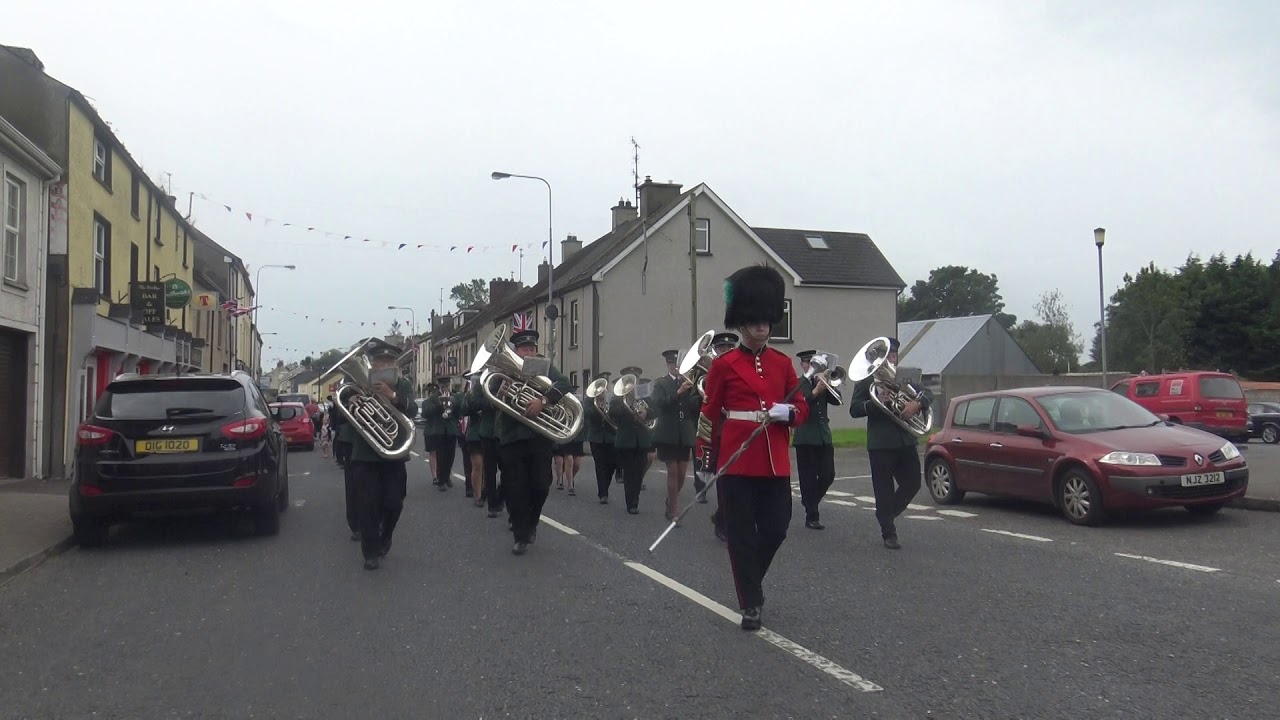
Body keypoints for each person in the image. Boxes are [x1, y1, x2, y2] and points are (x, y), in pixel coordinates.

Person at [697, 265, 808, 631]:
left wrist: (787, 411)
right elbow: (710, 413)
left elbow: (801, 409)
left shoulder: (783, 363)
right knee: (741, 535)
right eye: (755, 320)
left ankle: (751, 582)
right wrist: (706, 459)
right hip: (736, 459)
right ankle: (751, 602)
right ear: (741, 323)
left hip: (774, 459)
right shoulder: (724, 365)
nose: (762, 326)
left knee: (777, 527)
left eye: (766, 320)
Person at [849, 337, 933, 550]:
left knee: (913, 483)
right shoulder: (867, 381)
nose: (891, 360)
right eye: (888, 356)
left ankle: (886, 513)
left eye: (894, 356)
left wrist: (917, 403)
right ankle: (889, 531)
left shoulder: (904, 378)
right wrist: (877, 403)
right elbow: (855, 409)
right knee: (883, 489)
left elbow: (928, 393)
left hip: (905, 440)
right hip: (881, 443)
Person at [496, 328, 570, 555]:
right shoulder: (504, 369)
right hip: (512, 436)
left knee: (541, 485)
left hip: (539, 437)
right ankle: (520, 536)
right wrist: (501, 389)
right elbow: (485, 393)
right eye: (524, 349)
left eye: (532, 348)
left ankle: (532, 522)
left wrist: (544, 400)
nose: (529, 352)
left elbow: (564, 383)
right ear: (516, 351)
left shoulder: (544, 366)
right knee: (515, 489)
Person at [348, 339, 417, 570]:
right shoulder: (357, 384)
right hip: (365, 454)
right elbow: (340, 418)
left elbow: (413, 410)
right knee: (367, 506)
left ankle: (385, 535)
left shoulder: (403, 384)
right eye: (380, 361)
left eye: (388, 361)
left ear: (394, 364)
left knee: (394, 502)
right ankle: (370, 552)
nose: (384, 365)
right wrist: (352, 403)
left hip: (394, 452)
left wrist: (393, 395)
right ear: (372, 364)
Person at [652, 349, 701, 522]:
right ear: (667, 364)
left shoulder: (689, 382)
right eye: (672, 363)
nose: (675, 367)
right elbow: (658, 404)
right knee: (672, 471)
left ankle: (670, 501)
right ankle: (673, 511)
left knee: (681, 473)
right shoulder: (661, 383)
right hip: (667, 431)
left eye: (678, 364)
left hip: (685, 432)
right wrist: (678, 393)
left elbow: (694, 407)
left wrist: (698, 394)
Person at [793, 350, 839, 530]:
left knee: (829, 474)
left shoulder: (823, 382)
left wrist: (830, 386)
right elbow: (801, 404)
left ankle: (810, 501)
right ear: (803, 365)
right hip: (805, 436)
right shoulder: (798, 383)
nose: (811, 366)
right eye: (808, 363)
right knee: (808, 478)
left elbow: (838, 401)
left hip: (823, 436)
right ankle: (812, 515)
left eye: (814, 364)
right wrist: (815, 391)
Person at [704, 331, 739, 541]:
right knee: (724, 482)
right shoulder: (706, 374)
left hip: (740, 432)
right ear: (715, 351)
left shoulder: (741, 371)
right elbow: (696, 405)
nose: (725, 352)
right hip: (718, 435)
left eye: (729, 349)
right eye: (721, 349)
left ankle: (722, 517)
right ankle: (724, 523)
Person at [610, 366, 653, 515]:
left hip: (641, 439)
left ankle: (635, 498)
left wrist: (646, 413)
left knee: (639, 471)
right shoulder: (617, 397)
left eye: (636, 380)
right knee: (629, 473)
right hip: (626, 440)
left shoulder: (645, 396)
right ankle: (631, 503)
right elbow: (612, 413)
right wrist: (627, 406)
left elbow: (655, 411)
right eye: (630, 380)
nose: (634, 384)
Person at [585, 371, 618, 504]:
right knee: (600, 465)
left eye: (605, 385)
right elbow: (586, 413)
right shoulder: (589, 400)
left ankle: (606, 487)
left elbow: (617, 414)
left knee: (611, 465)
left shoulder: (612, 398)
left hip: (611, 436)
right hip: (596, 437)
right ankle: (602, 493)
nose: (603, 389)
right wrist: (595, 408)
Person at [422, 376, 458, 491]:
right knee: (441, 457)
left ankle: (446, 477)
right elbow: (425, 413)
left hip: (451, 430)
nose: (445, 388)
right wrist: (438, 404)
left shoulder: (454, 397)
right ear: (439, 386)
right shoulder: (432, 399)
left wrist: (454, 408)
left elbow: (459, 412)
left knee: (450, 457)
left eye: (447, 386)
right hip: (439, 431)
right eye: (443, 386)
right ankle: (441, 480)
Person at [554, 385, 587, 496]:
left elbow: (584, 419)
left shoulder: (580, 405)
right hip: (566, 434)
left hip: (577, 436)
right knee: (568, 460)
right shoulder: (561, 405)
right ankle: (570, 484)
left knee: (577, 464)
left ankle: (570, 478)